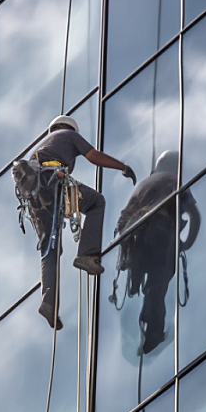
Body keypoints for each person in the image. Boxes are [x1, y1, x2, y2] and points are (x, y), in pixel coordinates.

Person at [30, 115, 136, 329]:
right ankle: (86, 255)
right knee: (96, 202)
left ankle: (48, 302)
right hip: (54, 181)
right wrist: (122, 167)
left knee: (50, 248)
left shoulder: (40, 147)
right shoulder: (68, 135)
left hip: (35, 197)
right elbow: (93, 155)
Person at [115, 151, 201, 355]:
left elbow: (124, 218)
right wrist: (187, 243)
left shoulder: (143, 185)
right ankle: (153, 331)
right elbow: (194, 215)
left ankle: (148, 321)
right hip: (160, 233)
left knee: (152, 285)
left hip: (137, 242)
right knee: (158, 283)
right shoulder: (173, 181)